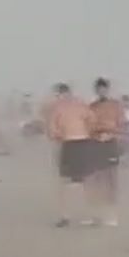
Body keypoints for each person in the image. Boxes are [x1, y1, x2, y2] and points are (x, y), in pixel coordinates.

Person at [43, 83, 94, 227]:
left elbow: (52, 131)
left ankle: (66, 216)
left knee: (66, 182)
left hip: (70, 143)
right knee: (83, 181)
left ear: (60, 94)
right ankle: (88, 215)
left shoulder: (58, 107)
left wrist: (59, 136)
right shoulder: (80, 104)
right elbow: (92, 120)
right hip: (83, 142)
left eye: (57, 95)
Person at [87, 79, 125, 226]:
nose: (101, 91)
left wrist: (111, 134)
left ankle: (112, 215)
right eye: (98, 89)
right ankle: (96, 215)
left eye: (103, 89)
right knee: (95, 180)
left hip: (110, 143)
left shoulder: (115, 106)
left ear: (107, 90)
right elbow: (88, 126)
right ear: (96, 90)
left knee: (111, 180)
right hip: (96, 144)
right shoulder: (92, 107)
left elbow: (121, 125)